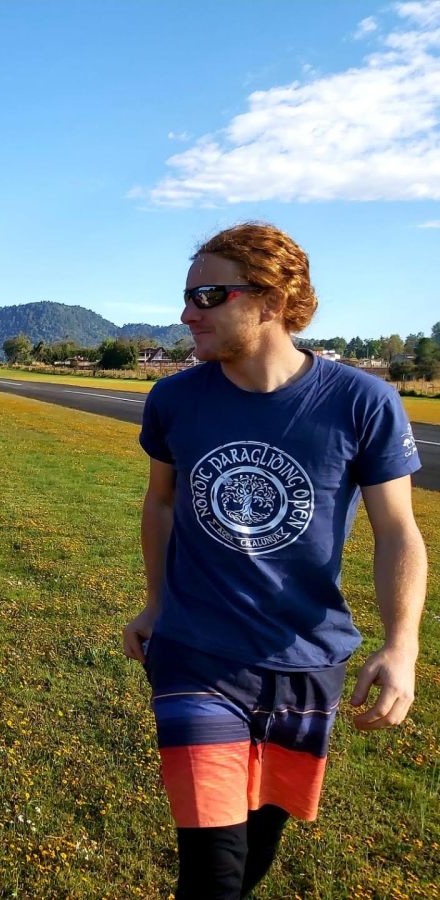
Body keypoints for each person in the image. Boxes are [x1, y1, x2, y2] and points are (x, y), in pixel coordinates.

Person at [123, 222, 427, 899]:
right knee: (214, 867)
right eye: (187, 294)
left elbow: (397, 531)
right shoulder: (173, 400)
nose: (185, 313)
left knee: (256, 848)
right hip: (196, 654)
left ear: (269, 300)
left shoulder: (361, 402)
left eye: (207, 295)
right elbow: (161, 504)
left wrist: (402, 644)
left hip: (307, 662)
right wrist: (155, 604)